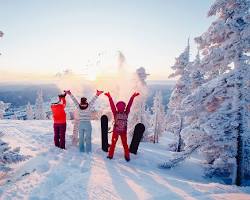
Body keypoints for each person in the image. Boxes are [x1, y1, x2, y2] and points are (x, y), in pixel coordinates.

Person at [105, 92, 139, 161]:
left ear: (117, 107)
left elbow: (112, 106)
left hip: (116, 131)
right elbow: (129, 105)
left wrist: (109, 97)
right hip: (123, 131)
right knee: (125, 144)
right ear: (124, 107)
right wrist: (132, 97)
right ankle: (127, 157)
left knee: (113, 144)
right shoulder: (126, 112)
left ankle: (110, 156)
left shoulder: (115, 113)